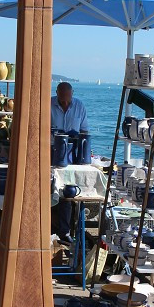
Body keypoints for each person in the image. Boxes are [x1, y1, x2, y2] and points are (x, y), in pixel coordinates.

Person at [50, 83, 90, 244]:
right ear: (57, 94)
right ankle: (54, 228)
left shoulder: (79, 106)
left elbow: (85, 131)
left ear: (72, 94)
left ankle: (67, 231)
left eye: (67, 99)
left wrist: (80, 144)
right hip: (51, 152)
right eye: (62, 99)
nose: (65, 103)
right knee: (52, 190)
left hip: (71, 155)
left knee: (70, 192)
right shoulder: (49, 104)